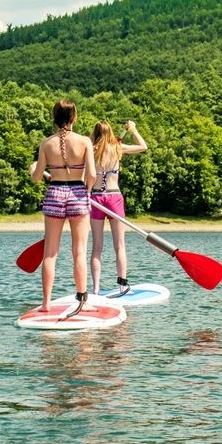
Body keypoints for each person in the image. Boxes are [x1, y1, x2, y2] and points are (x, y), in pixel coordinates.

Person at [30, 100, 97, 316]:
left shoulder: (46, 143)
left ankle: (46, 303)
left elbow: (37, 178)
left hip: (55, 194)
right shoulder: (85, 141)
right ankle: (83, 300)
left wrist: (33, 169)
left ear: (55, 117)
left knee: (50, 253)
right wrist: (85, 191)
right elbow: (93, 175)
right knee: (79, 251)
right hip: (78, 193)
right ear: (74, 118)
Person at [88, 120, 148, 295]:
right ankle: (122, 284)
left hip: (96, 198)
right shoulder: (117, 148)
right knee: (119, 246)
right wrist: (134, 130)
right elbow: (143, 146)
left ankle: (96, 289)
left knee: (97, 247)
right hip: (114, 198)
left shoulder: (89, 150)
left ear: (96, 133)